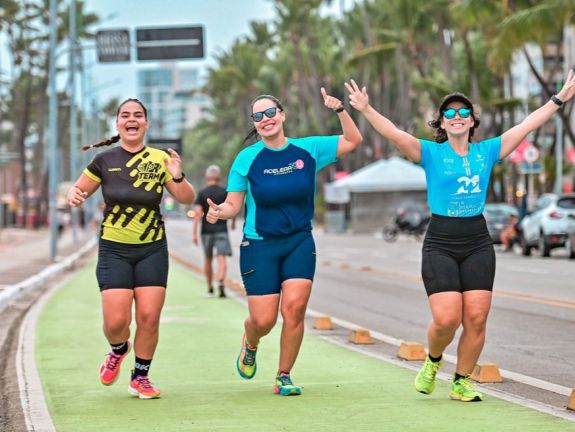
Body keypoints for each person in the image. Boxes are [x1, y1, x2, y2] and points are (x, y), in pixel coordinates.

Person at [346, 71, 575, 402]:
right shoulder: (430, 153)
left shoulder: (487, 151)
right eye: (450, 113)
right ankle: (432, 360)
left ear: (472, 121)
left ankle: (461, 380)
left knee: (476, 317)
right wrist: (367, 109)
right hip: (441, 240)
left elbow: (527, 125)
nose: (457, 117)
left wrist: (558, 100)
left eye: (463, 113)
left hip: (477, 240)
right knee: (446, 319)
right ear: (442, 122)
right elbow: (395, 134)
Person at [204, 89, 362, 396]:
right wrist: (218, 212)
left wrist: (340, 110)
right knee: (264, 320)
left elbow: (353, 140)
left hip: (299, 242)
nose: (266, 120)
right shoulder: (247, 158)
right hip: (259, 245)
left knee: (295, 309)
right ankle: (250, 341)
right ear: (255, 123)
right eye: (258, 116)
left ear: (282, 114)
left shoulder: (309, 150)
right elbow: (233, 205)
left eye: (270, 113)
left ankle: (284, 375)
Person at [67, 98, 195, 399]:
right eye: (125, 115)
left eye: (138, 115)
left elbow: (187, 197)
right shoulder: (104, 160)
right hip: (114, 249)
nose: (132, 119)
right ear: (118, 124)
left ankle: (140, 376)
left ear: (146, 124)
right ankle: (118, 349)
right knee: (116, 323)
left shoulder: (160, 159)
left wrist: (177, 174)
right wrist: (74, 195)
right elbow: (79, 188)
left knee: (149, 317)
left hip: (152, 248)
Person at [193, 165, 235, 297]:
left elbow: (197, 214)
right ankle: (221, 281)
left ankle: (210, 287)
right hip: (222, 229)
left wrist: (194, 233)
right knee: (221, 257)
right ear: (219, 177)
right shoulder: (225, 191)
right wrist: (232, 223)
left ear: (207, 178)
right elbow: (232, 207)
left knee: (208, 259)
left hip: (206, 231)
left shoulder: (202, 193)